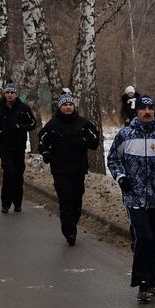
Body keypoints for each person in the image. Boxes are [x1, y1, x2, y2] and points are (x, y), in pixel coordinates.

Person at [107, 95, 155, 302]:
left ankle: (152, 279)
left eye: (150, 108)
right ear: (136, 111)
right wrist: (122, 178)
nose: (147, 112)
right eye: (143, 108)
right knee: (143, 236)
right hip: (134, 196)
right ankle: (142, 283)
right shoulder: (125, 135)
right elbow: (113, 160)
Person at [37, 92, 100, 245]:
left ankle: (72, 222)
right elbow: (42, 141)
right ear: (60, 107)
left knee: (76, 200)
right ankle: (69, 232)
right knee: (65, 200)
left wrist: (83, 141)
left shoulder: (83, 123)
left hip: (78, 168)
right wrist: (46, 153)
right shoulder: (52, 124)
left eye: (70, 104)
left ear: (74, 106)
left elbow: (95, 140)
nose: (68, 107)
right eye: (65, 105)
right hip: (59, 169)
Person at [0, 82, 37, 213]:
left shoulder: (24, 108)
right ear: (4, 94)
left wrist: (20, 127)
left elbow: (33, 123)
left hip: (19, 146)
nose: (9, 95)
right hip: (4, 146)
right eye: (7, 93)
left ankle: (18, 202)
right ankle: (5, 204)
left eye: (12, 93)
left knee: (18, 174)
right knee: (9, 173)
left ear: (16, 94)